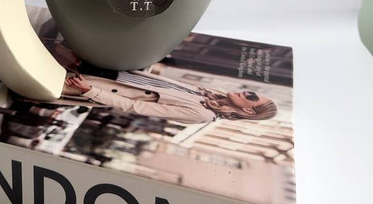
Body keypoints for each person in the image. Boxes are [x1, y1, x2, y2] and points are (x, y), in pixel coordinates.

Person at [59, 72, 277, 124]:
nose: (246, 92)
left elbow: (136, 107)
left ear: (249, 110)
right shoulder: (212, 94)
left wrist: (90, 91)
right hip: (111, 74)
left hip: (98, 87)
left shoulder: (202, 114)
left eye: (252, 97)